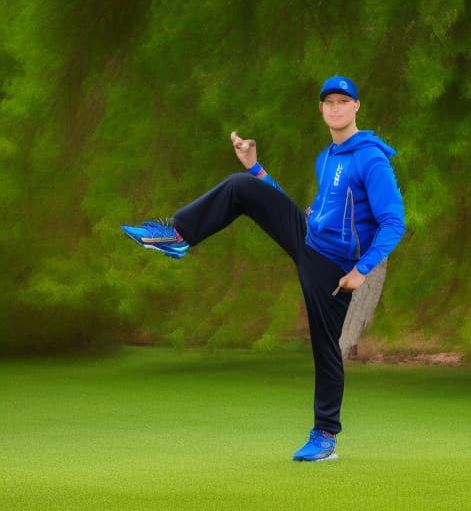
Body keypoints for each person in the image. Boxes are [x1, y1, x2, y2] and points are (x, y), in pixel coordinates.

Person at [121, 76, 406, 461]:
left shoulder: (370, 158)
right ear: (322, 110)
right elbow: (313, 210)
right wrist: (257, 168)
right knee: (241, 186)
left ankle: (324, 437)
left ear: (357, 107)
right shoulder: (327, 157)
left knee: (325, 350)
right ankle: (178, 235)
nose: (336, 107)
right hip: (309, 237)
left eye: (344, 101)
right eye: (329, 102)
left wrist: (362, 270)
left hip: (334, 268)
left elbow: (393, 222)